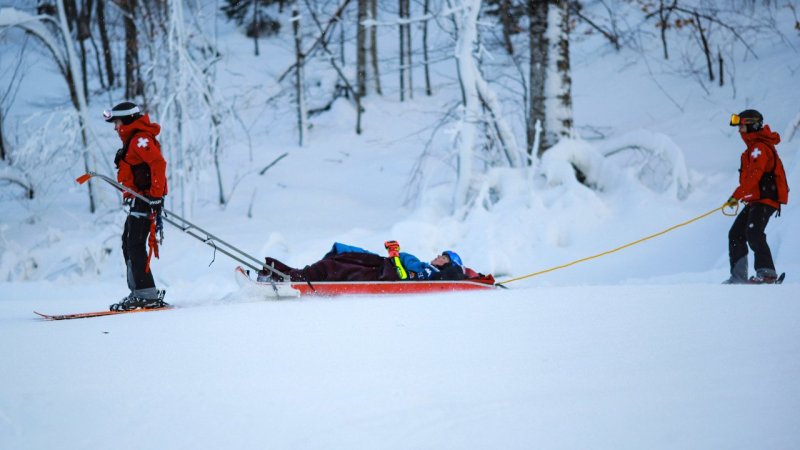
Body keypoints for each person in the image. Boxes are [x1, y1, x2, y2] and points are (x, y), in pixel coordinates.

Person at [104, 102, 170, 310]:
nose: (115, 127)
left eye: (117, 122)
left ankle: (146, 294)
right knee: (128, 242)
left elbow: (158, 164)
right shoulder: (132, 140)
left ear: (127, 120)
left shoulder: (140, 139)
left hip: (146, 199)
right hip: (138, 199)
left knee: (134, 244)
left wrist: (156, 196)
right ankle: (139, 292)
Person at [723, 109, 789, 284]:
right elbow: (751, 180)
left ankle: (767, 274)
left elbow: (753, 177)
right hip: (756, 200)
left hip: (765, 199)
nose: (739, 131)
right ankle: (738, 277)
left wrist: (735, 197)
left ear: (752, 126)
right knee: (736, 233)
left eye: (742, 127)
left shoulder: (759, 148)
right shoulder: (752, 149)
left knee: (753, 232)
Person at [258, 242, 475, 283]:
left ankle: (285, 278)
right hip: (379, 265)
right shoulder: (425, 267)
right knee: (337, 257)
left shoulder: (430, 274)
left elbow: (402, 277)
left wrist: (394, 254)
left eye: (443, 258)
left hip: (380, 274)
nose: (438, 257)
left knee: (330, 268)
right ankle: (277, 272)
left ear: (448, 265)